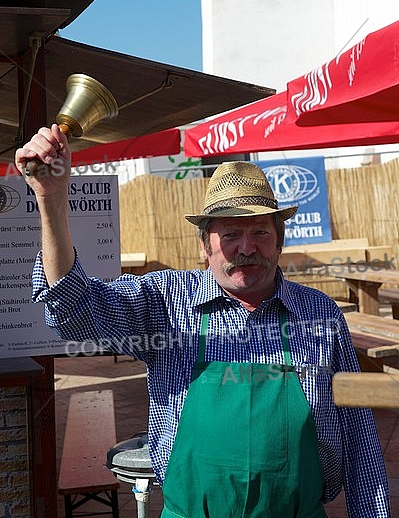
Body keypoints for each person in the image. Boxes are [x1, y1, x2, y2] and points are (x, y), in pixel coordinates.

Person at [16, 124, 391, 518]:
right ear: (205, 245)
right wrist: (52, 201)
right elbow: (73, 312)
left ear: (280, 241)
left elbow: (359, 436)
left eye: (260, 232)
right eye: (230, 234)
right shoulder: (165, 302)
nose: (247, 248)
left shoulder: (320, 314)